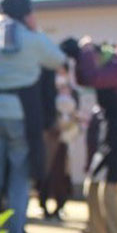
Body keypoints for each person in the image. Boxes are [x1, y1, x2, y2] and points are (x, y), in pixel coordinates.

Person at [0, 0, 65, 233]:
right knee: (18, 178)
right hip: (20, 114)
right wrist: (34, 30)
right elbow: (58, 60)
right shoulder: (34, 40)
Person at [63, 35, 117, 233]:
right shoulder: (108, 66)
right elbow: (82, 79)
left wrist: (86, 50)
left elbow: (91, 77)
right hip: (108, 133)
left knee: (112, 192)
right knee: (93, 188)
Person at [39, 65, 79, 220]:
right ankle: (43, 204)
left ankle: (60, 205)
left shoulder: (72, 91)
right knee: (46, 173)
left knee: (61, 174)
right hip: (50, 136)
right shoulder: (49, 89)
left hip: (65, 138)